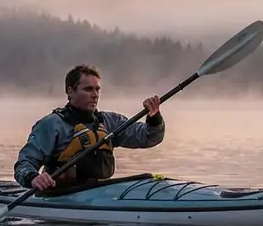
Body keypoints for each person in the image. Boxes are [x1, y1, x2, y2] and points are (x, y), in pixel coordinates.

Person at [14, 64, 165, 192]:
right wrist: (33, 178)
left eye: (97, 89)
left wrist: (154, 116)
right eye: (88, 89)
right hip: (61, 194)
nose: (95, 95)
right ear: (71, 92)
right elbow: (25, 163)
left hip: (100, 192)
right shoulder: (51, 125)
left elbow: (149, 137)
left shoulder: (110, 122)